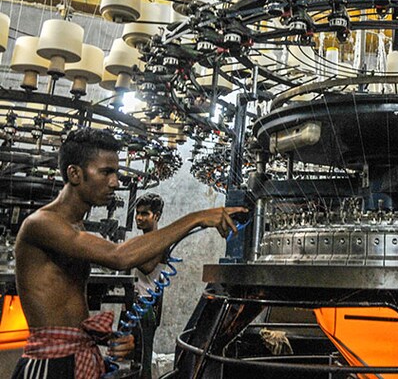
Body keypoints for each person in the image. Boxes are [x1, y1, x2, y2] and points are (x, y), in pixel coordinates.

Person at [13, 128, 246, 379]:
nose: (115, 182)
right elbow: (118, 256)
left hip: (76, 355)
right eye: (106, 172)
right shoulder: (42, 223)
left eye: (115, 172)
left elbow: (62, 305)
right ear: (75, 173)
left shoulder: (75, 226)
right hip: (51, 364)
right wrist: (196, 217)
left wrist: (107, 339)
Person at [130, 192, 168, 379]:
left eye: (145, 213)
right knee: (131, 358)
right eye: (137, 213)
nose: (139, 217)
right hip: (135, 302)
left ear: (157, 216)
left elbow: (146, 267)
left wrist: (124, 254)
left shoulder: (161, 240)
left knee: (143, 357)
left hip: (147, 306)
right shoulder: (142, 242)